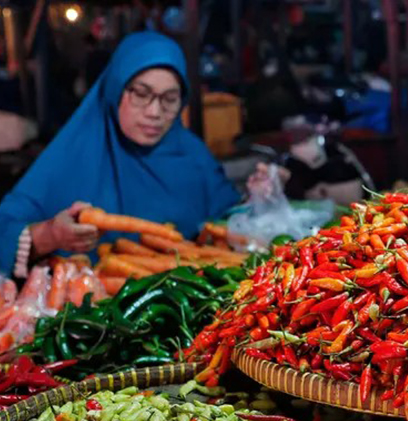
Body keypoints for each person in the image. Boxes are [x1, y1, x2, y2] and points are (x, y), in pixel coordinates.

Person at [0, 31, 240, 277]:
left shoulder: (192, 156)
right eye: (141, 94)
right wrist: (49, 235)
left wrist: (258, 200)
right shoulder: (70, 157)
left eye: (170, 98)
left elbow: (231, 220)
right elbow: (4, 227)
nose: (155, 112)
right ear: (115, 90)